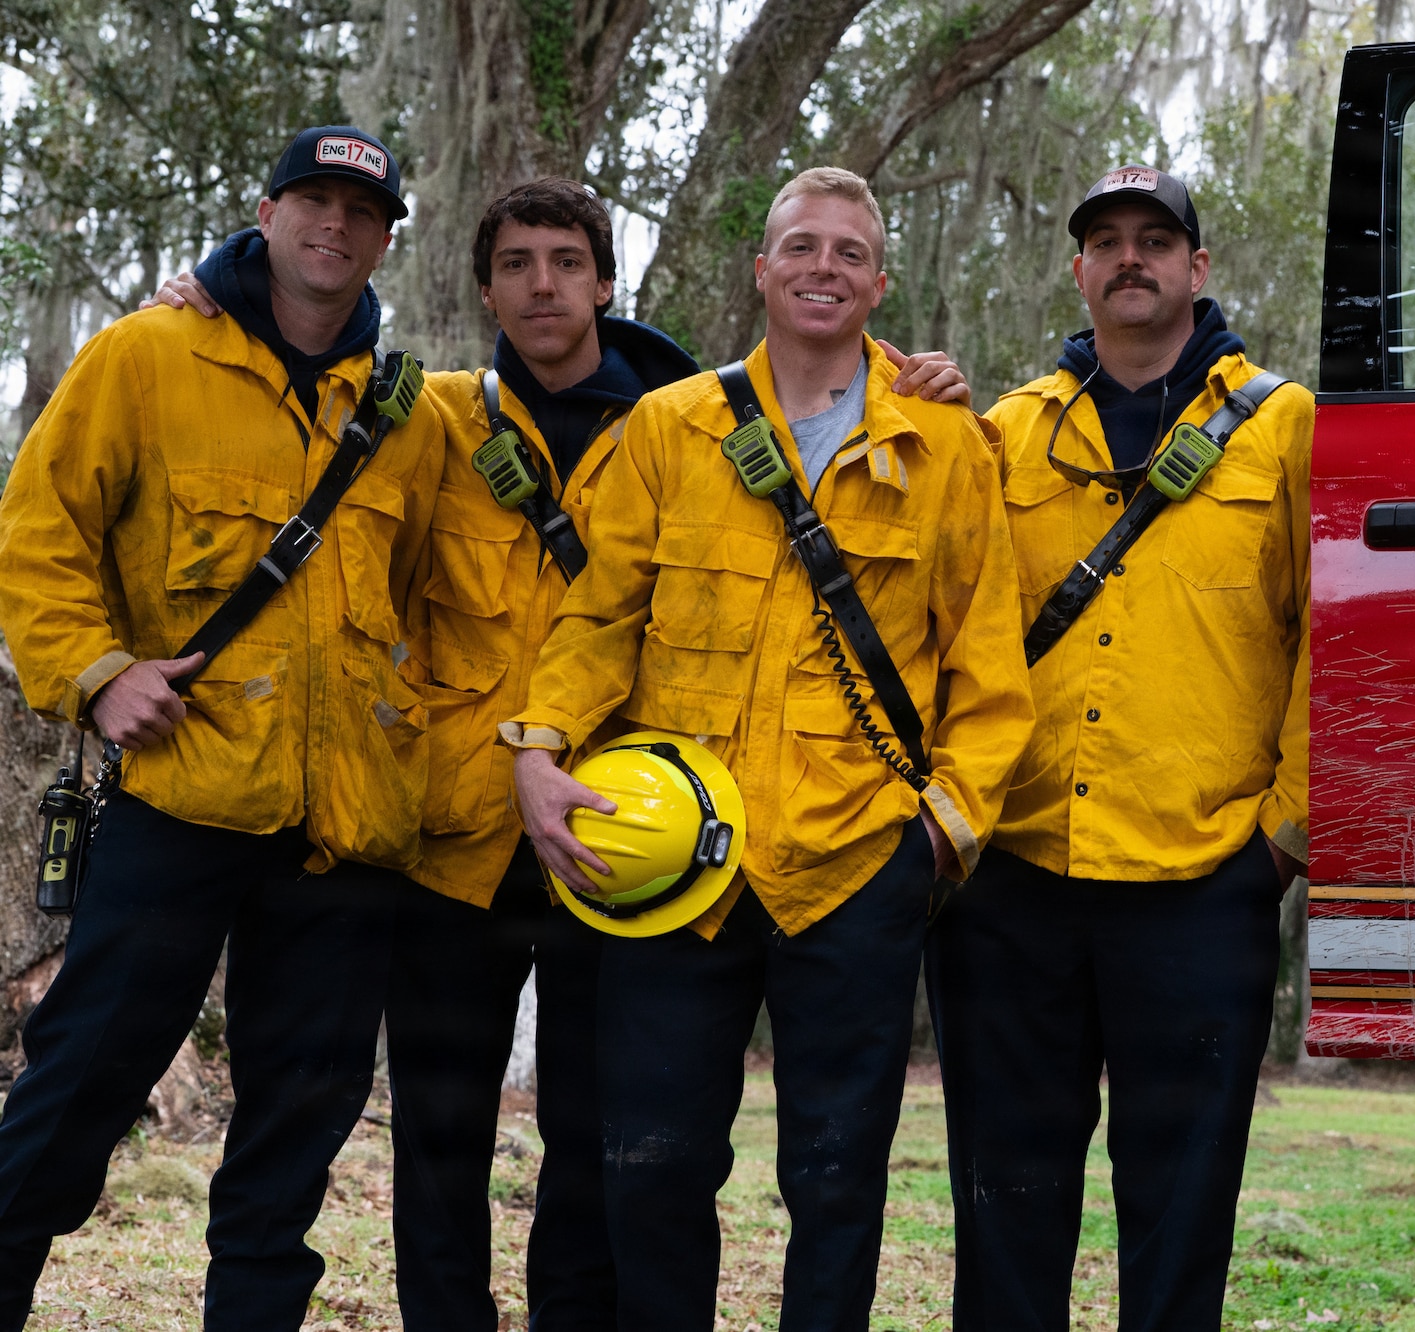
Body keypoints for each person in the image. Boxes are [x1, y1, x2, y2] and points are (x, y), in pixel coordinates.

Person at [150, 175, 972, 1330]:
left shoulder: (690, 418)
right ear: (482, 284)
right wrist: (216, 295)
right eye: (518, 264)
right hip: (460, 837)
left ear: (603, 279)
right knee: (443, 1132)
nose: (543, 285)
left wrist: (941, 822)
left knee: (609, 1140)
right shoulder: (429, 414)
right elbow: (289, 398)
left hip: (628, 843)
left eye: (567, 262)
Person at [506, 165, 1032, 1330]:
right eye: (801, 245)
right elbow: (598, 621)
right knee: (649, 1167)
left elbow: (988, 673)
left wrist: (936, 835)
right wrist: (538, 752)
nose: (822, 268)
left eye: (849, 252)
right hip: (676, 864)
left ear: (879, 283)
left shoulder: (944, 449)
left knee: (835, 1184)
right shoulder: (672, 427)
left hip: (853, 865)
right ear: (761, 269)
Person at [0, 125, 444, 1329]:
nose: (334, 226)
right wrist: (94, 675)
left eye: (362, 212)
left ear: (385, 237)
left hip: (343, 825)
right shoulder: (147, 355)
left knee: (298, 1127)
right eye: (312, 200)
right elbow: (39, 537)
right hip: (175, 794)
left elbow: (587, 396)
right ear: (264, 211)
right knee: (79, 1085)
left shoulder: (410, 411)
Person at [926, 164, 1311, 1331]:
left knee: (1180, 1208)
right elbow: (932, 617)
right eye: (1106, 241)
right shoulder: (1001, 431)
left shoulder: (1286, 426)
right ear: (1079, 269)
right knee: (1004, 1195)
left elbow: (1330, 643)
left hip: (1200, 883)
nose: (1129, 257)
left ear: (1197, 269)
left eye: (1156, 239)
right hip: (1014, 879)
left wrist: (1278, 842)